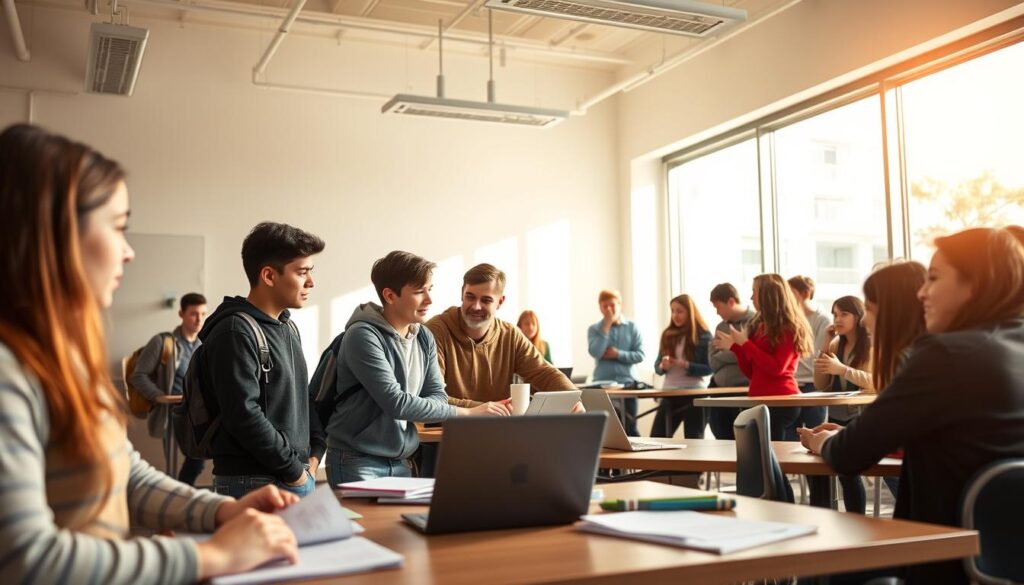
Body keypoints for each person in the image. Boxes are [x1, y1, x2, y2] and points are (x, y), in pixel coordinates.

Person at [0, 123, 301, 583]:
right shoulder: (7, 371)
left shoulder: (60, 359)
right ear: (53, 235)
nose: (128, 252)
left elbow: (126, 475)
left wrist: (221, 511)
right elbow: (27, 560)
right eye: (117, 228)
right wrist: (210, 556)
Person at [801, 227, 1024, 585]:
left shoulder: (946, 354)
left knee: (818, 566)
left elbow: (847, 456)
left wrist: (824, 441)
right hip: (1002, 563)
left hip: (941, 558)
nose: (922, 292)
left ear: (975, 284)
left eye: (934, 278)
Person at [325, 252, 510, 485]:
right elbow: (397, 403)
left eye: (429, 289)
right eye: (419, 291)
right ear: (390, 295)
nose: (429, 299)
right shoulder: (362, 336)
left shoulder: (424, 337)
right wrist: (469, 412)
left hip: (402, 462)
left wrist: (427, 407)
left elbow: (438, 396)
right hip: (358, 461)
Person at [196, 222, 326, 498]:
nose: (311, 282)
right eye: (302, 272)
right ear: (268, 275)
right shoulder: (234, 331)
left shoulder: (287, 327)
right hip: (254, 480)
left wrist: (315, 453)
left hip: (294, 474)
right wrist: (294, 470)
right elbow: (243, 414)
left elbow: (301, 397)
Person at [426, 263, 575, 406]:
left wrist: (572, 398)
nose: (476, 306)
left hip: (500, 420)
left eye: (486, 300)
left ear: (500, 301)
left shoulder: (510, 335)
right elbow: (430, 397)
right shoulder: (434, 331)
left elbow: (543, 372)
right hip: (450, 423)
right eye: (470, 297)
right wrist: (482, 409)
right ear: (462, 293)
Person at [713, 273, 812, 441]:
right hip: (759, 399)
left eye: (755, 292)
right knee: (758, 451)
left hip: (780, 401)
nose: (751, 297)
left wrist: (744, 344)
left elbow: (777, 368)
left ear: (768, 295)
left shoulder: (788, 328)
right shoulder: (758, 326)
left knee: (774, 452)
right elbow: (751, 372)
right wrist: (736, 348)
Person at [129, 292, 209, 485]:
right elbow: (138, 376)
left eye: (203, 314)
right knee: (174, 465)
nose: (199, 319)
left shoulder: (204, 344)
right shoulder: (163, 342)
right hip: (172, 412)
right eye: (194, 314)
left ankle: (182, 493)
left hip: (197, 413)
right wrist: (160, 397)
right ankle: (178, 496)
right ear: (181, 314)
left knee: (198, 460)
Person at [809, 295, 874, 512]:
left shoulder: (871, 345)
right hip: (837, 414)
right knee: (832, 468)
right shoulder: (836, 344)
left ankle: (857, 517)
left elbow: (875, 383)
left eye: (844, 314)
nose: (837, 319)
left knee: (848, 473)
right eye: (835, 314)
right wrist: (825, 344)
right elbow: (820, 383)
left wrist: (843, 370)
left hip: (861, 415)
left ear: (859, 316)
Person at [651, 294, 712, 438]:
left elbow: (709, 368)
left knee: (694, 439)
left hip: (694, 393)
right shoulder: (667, 334)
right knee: (657, 436)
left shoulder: (703, 335)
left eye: (679, 311)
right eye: (672, 311)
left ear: (690, 312)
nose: (675, 315)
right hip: (669, 393)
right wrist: (663, 366)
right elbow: (657, 367)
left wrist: (685, 365)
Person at [587, 289, 646, 436]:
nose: (609, 309)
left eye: (612, 305)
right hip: (602, 386)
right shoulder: (594, 329)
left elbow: (640, 355)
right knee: (605, 429)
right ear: (600, 308)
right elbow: (595, 352)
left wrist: (617, 354)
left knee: (630, 428)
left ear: (620, 305)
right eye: (605, 306)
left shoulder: (632, 327)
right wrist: (606, 326)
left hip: (628, 385)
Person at [706, 283, 756, 439]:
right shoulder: (720, 327)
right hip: (720, 390)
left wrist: (730, 349)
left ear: (731, 302)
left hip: (745, 391)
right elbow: (713, 361)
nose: (717, 312)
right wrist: (736, 349)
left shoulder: (755, 322)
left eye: (718, 307)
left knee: (746, 438)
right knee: (721, 436)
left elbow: (751, 355)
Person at [786, 276, 832, 438]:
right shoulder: (789, 320)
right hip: (793, 386)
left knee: (817, 433)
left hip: (813, 386)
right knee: (790, 437)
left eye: (791, 292)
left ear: (805, 293)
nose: (787, 297)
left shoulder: (822, 319)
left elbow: (816, 357)